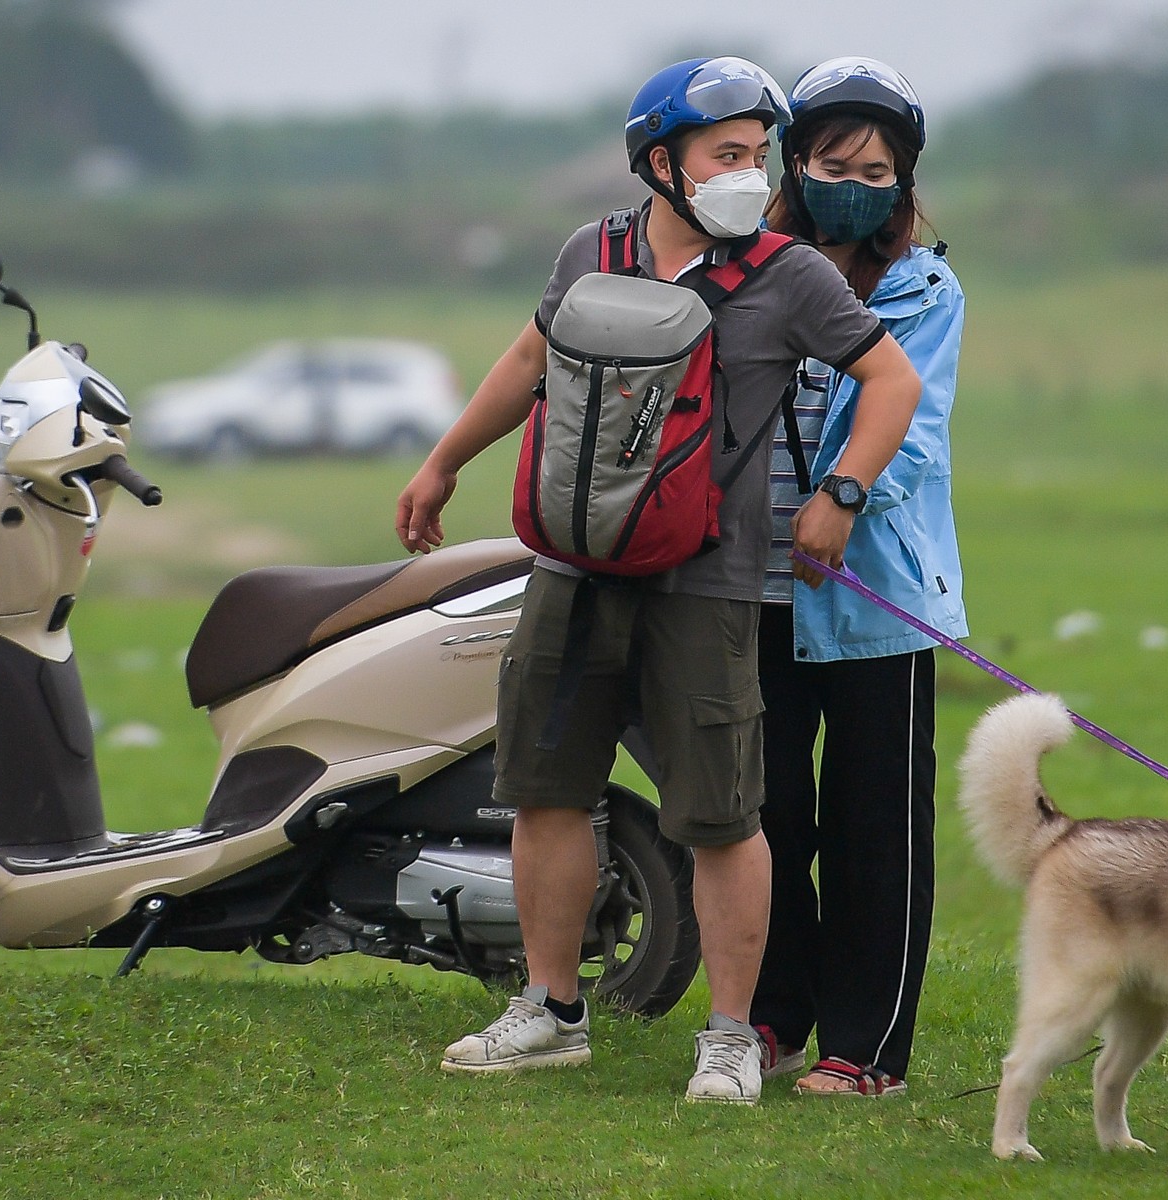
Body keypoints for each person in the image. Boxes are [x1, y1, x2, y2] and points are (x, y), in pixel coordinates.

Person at [394, 56, 922, 1104]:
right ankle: (550, 1009)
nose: (747, 171)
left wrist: (842, 494)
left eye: (755, 153)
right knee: (546, 790)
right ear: (658, 163)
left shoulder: (790, 275)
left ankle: (731, 1040)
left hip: (708, 583)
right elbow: (525, 359)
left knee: (724, 813)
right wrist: (443, 460)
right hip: (570, 565)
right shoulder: (593, 252)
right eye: (725, 152)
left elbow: (889, 380)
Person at [746, 56, 968, 1098]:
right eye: (834, 161)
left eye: (876, 169)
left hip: (876, 596)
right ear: (796, 162)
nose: (853, 181)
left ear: (904, 182)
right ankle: (770, 1018)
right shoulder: (744, 264)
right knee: (768, 812)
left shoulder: (928, 286)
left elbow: (910, 430)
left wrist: (841, 496)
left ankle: (865, 1047)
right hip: (750, 587)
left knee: (876, 826)